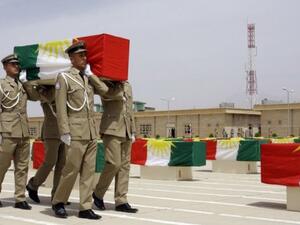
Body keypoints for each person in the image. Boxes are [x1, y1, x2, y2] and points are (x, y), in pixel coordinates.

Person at [51, 41, 110, 220]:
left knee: (89, 172)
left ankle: (85, 207)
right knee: (71, 169)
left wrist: (91, 75)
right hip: (75, 132)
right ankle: (58, 202)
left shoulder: (87, 78)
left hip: (91, 132)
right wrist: (64, 131)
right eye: (81, 55)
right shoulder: (64, 77)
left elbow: (105, 90)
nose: (85, 58)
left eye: (85, 55)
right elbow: (61, 107)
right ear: (71, 58)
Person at [89, 77, 138, 213]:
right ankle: (98, 193)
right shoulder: (105, 83)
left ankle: (121, 200)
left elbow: (129, 109)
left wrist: (133, 130)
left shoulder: (127, 85)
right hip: (111, 128)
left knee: (124, 166)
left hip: (126, 130)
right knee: (114, 163)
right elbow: (106, 93)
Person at [24, 82, 66, 203]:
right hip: (52, 131)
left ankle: (57, 196)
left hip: (65, 131)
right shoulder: (43, 90)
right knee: (50, 161)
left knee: (62, 165)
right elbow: (48, 98)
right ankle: (33, 184)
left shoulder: (63, 87)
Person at [0, 54, 31, 209]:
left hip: (23, 131)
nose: (16, 67)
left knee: (22, 167)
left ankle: (20, 198)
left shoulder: (23, 85)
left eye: (18, 64)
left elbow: (36, 96)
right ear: (5, 66)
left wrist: (27, 82)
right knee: (2, 166)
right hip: (8, 131)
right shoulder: (1, 85)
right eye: (13, 64)